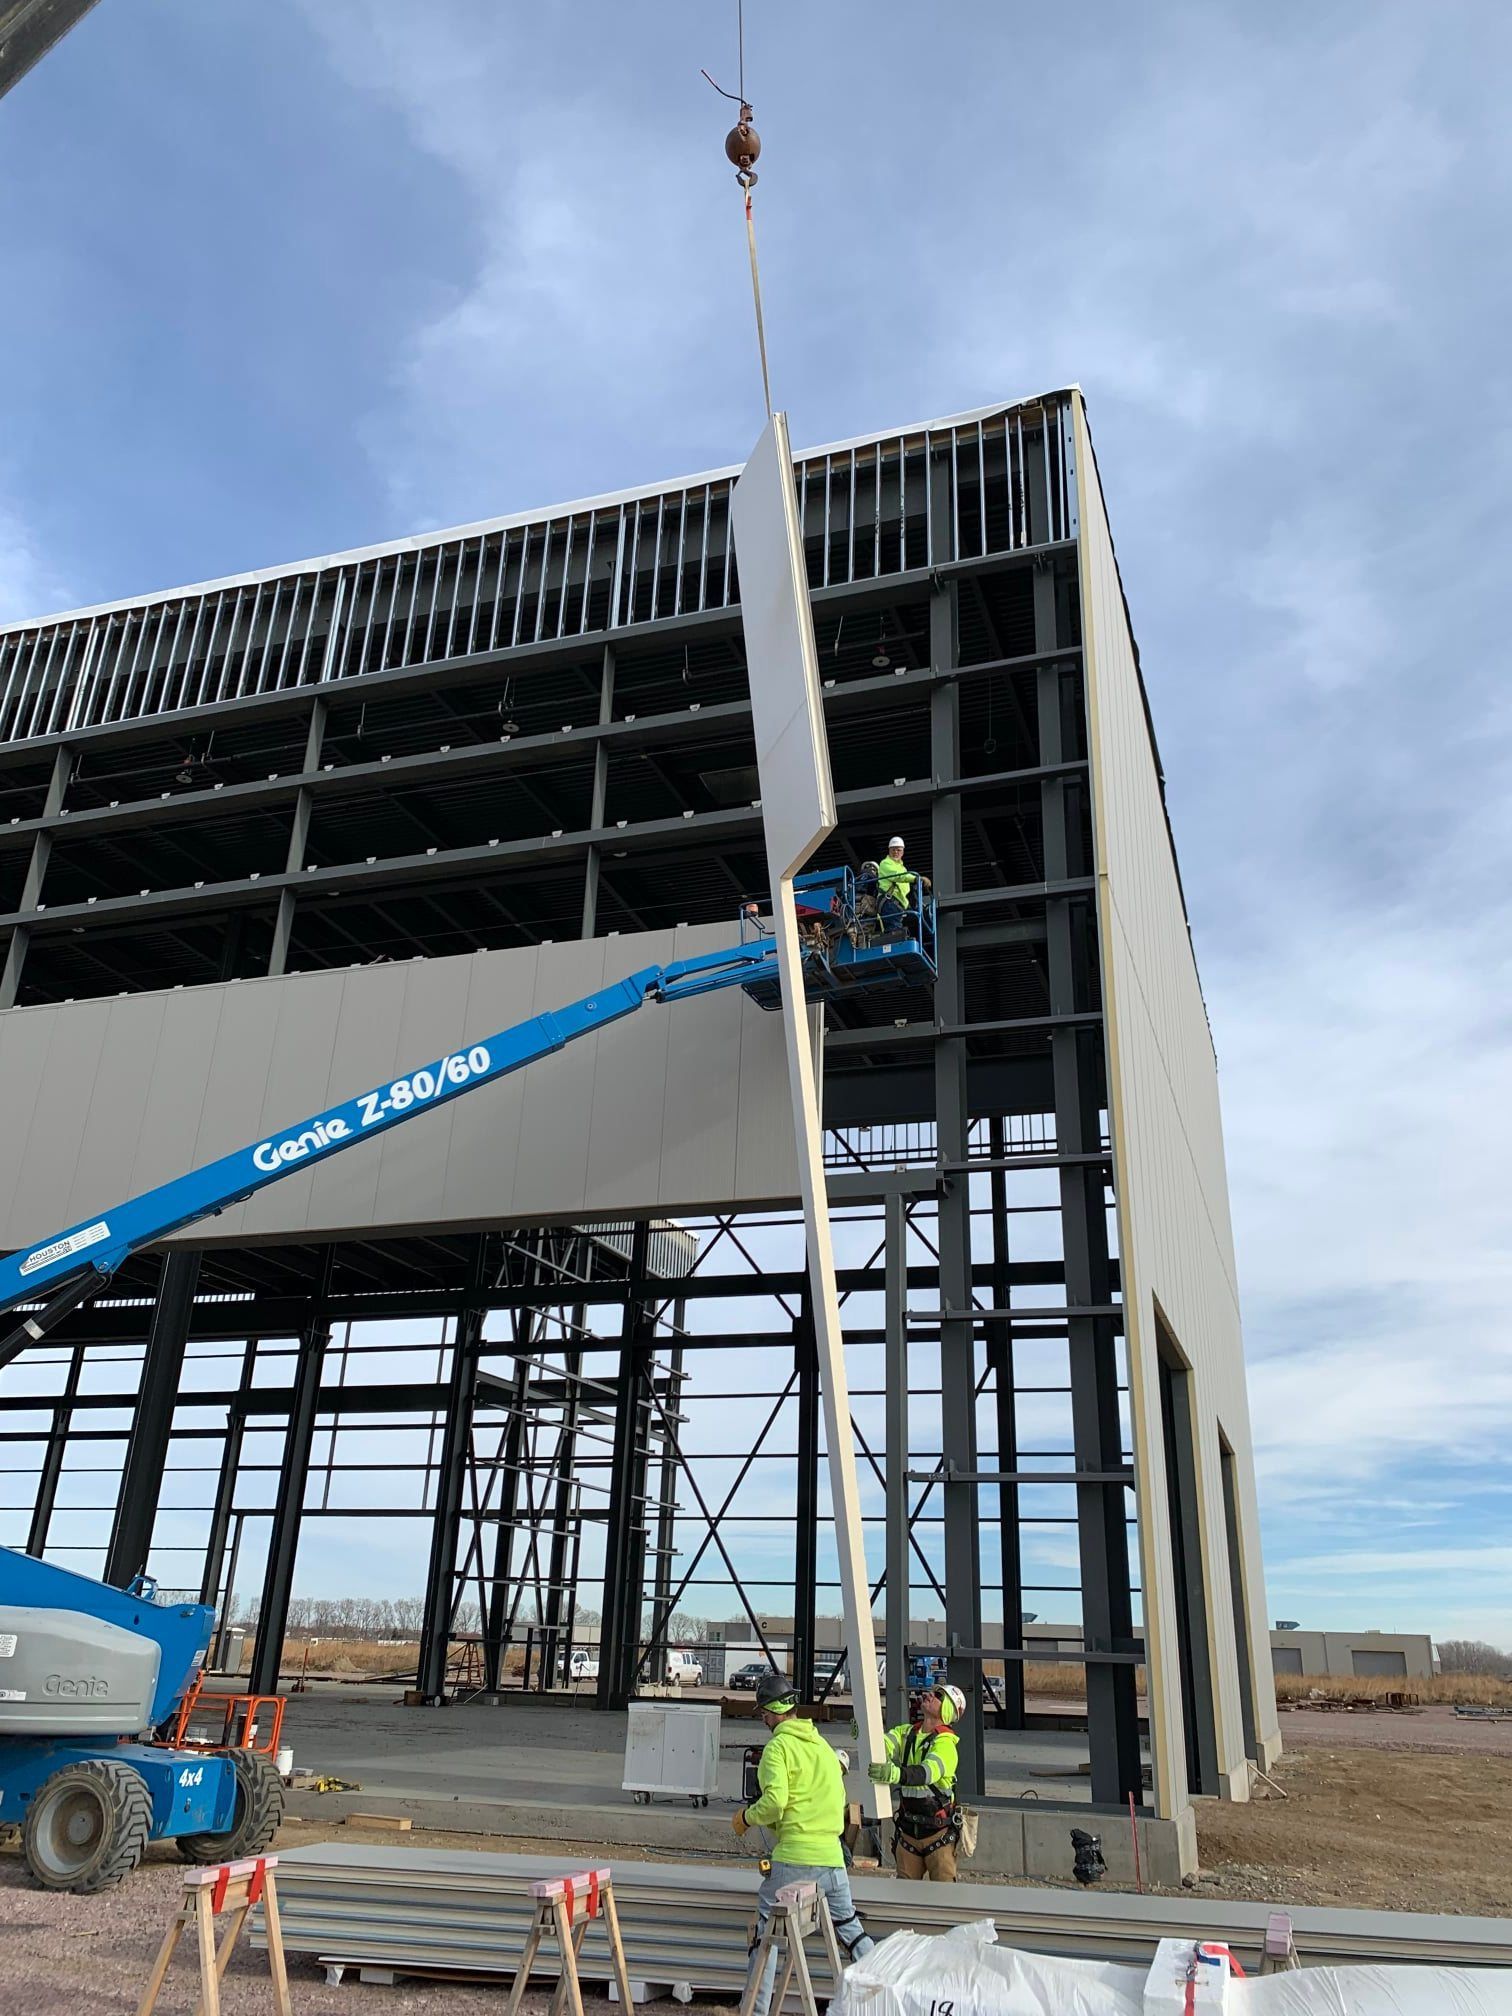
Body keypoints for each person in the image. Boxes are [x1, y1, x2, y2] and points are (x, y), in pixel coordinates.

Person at [734, 1672, 874, 2011]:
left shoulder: (778, 1747)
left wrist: (746, 1818)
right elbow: (839, 1800)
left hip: (795, 1858)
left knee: (766, 1936)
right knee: (851, 1932)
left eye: (763, 1712)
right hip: (833, 1859)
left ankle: (756, 2010)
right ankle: (884, 1993)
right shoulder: (823, 1747)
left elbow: (775, 1802)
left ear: (771, 1710)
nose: (763, 1718)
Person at [867, 1681, 964, 1881]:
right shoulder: (906, 1733)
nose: (930, 1695)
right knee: (905, 1897)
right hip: (909, 1832)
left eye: (939, 1696)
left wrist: (896, 1775)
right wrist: (865, 1737)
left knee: (945, 1898)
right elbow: (881, 1746)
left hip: (939, 1835)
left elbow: (927, 1772)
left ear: (947, 1710)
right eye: (933, 1692)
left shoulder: (946, 1744)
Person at [876, 837, 928, 930]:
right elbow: (898, 876)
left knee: (919, 919)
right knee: (895, 931)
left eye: (899, 850)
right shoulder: (885, 863)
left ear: (903, 852)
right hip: (889, 903)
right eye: (893, 850)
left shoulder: (902, 868)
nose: (896, 852)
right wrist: (916, 878)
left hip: (899, 905)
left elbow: (904, 891)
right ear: (889, 850)